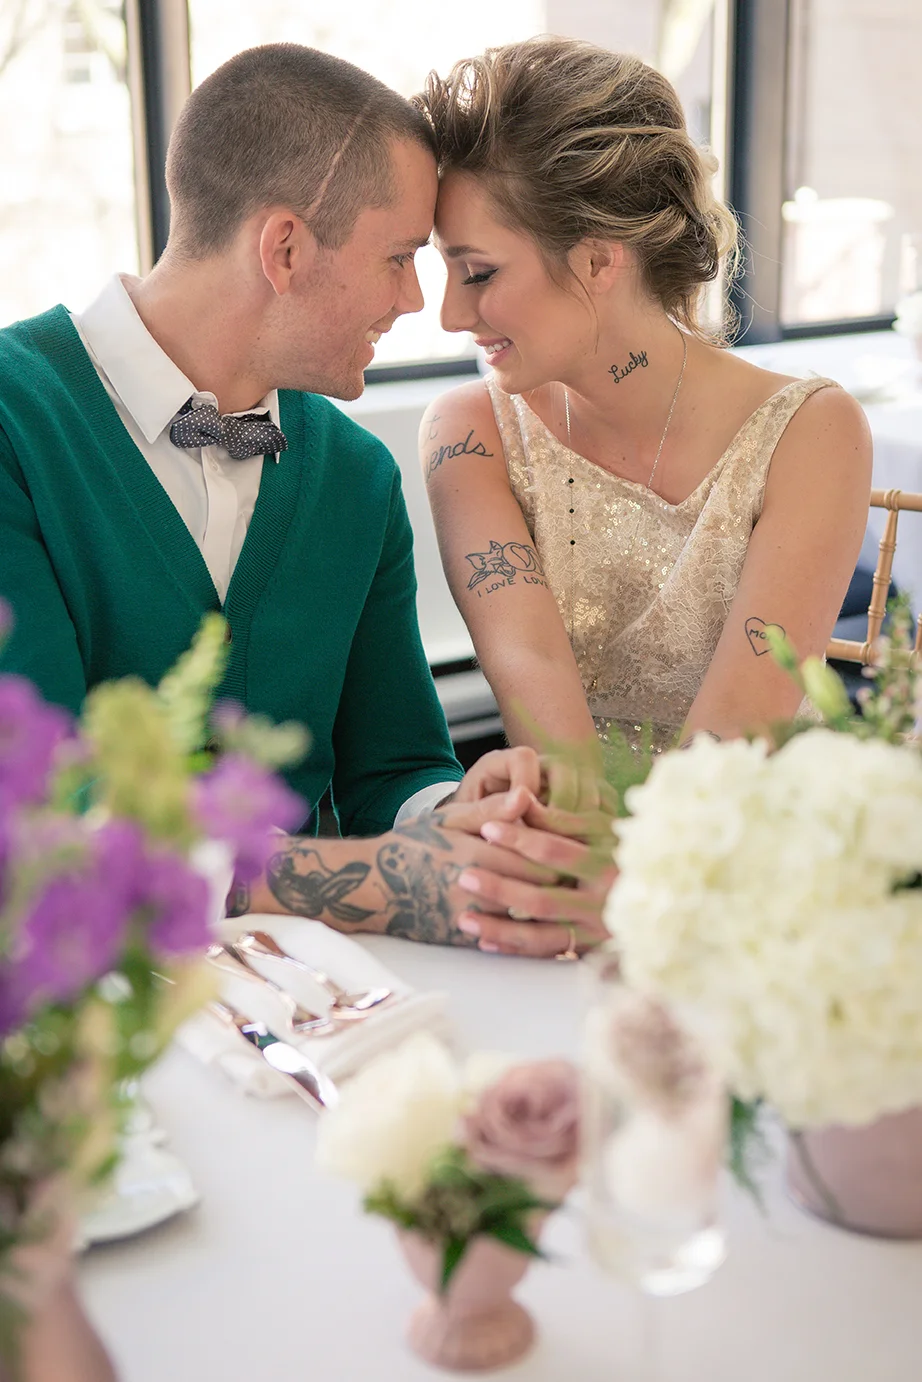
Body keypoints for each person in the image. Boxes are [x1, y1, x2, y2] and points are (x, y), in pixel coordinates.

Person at [0, 43, 608, 959]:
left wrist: (458, 814)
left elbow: (394, 766)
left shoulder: (358, 476)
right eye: (400, 257)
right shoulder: (14, 424)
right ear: (284, 248)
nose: (418, 300)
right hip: (79, 1021)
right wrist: (373, 884)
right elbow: (38, 813)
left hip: (330, 1011)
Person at [413, 37, 872, 773]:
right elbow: (544, 716)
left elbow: (737, 740)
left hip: (761, 837)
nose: (449, 315)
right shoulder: (470, 433)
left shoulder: (811, 431)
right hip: (576, 839)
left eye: (478, 272)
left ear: (599, 259)